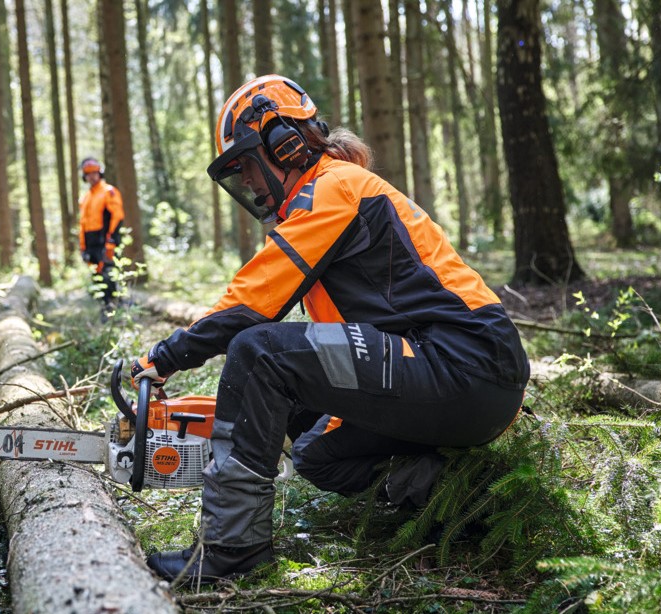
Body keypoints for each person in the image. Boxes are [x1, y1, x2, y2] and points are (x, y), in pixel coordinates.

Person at [130, 75, 529, 583]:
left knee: (259, 353)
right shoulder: (326, 196)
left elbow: (253, 303)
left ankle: (232, 547)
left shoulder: (332, 187)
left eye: (247, 165)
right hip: (458, 376)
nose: (247, 182)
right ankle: (463, 497)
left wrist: (164, 357)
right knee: (316, 451)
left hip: (464, 360)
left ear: (284, 143)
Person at [78, 157, 125, 311]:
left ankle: (117, 308)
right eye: (88, 174)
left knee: (109, 275)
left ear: (100, 173)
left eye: (94, 173)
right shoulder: (86, 197)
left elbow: (117, 216)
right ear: (84, 176)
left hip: (105, 241)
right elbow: (83, 224)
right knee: (97, 278)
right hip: (90, 244)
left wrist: (112, 240)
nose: (91, 176)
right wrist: (83, 247)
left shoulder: (108, 191)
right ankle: (106, 309)